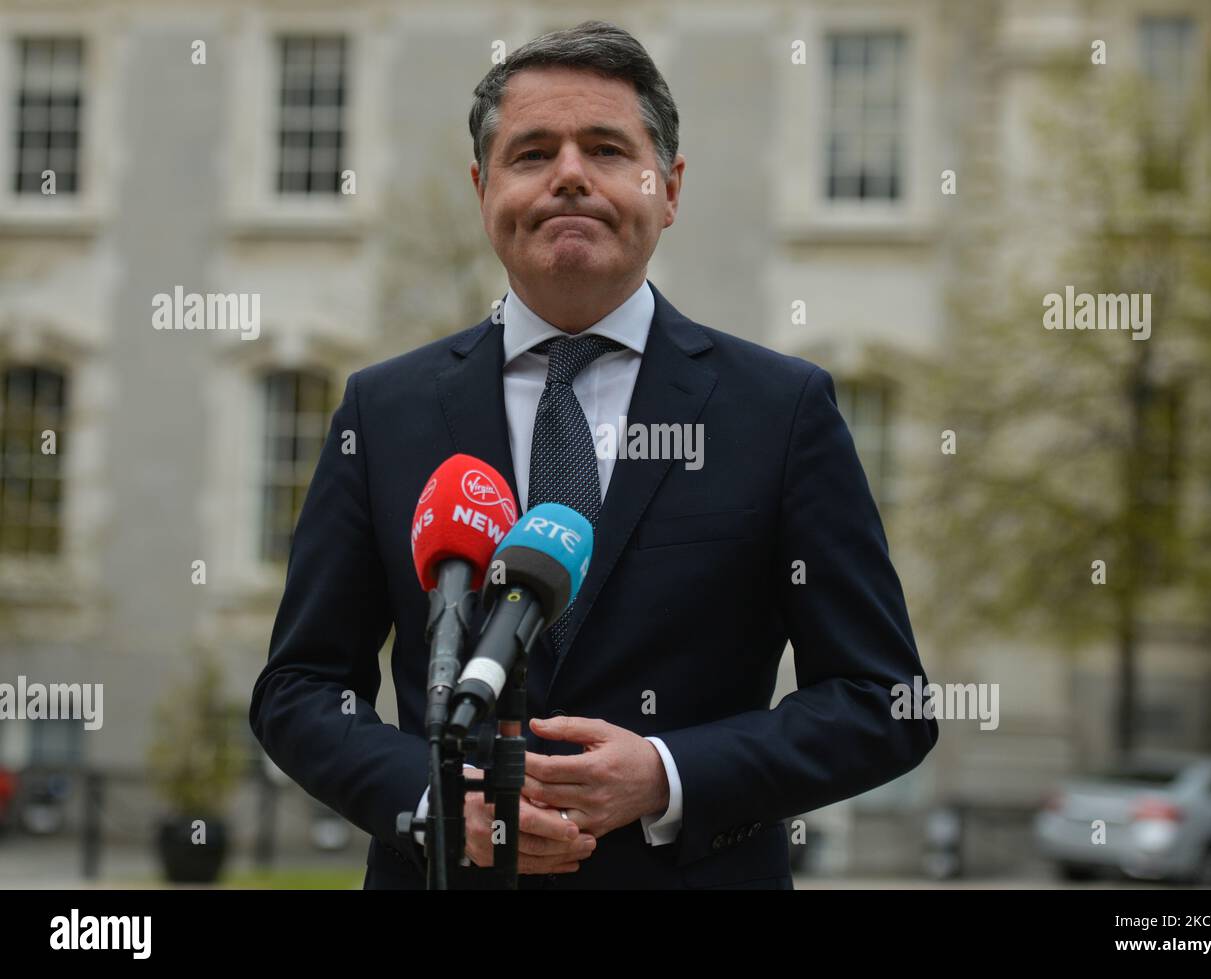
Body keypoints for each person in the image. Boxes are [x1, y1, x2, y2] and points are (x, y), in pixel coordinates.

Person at [250, 19, 937, 890]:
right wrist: (435, 808)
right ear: (482, 187)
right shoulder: (384, 410)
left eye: (608, 149)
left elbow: (885, 702)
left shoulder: (782, 410)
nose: (569, 173)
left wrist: (668, 773)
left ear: (670, 187)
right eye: (532, 152)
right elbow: (300, 688)